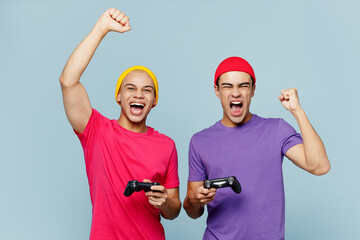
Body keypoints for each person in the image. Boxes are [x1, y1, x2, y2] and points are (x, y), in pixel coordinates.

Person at [59, 8, 181, 240]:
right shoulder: (96, 130)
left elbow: (173, 210)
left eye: (147, 90)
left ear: (154, 101)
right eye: (131, 89)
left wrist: (164, 202)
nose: (139, 95)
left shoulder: (167, 145)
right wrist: (102, 28)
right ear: (119, 96)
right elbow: (68, 81)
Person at [183, 56, 330, 240]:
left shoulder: (277, 129)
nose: (235, 93)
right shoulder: (200, 141)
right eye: (227, 86)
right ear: (217, 91)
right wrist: (193, 200)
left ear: (252, 90)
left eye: (243, 86)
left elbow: (319, 166)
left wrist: (297, 111)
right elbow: (193, 212)